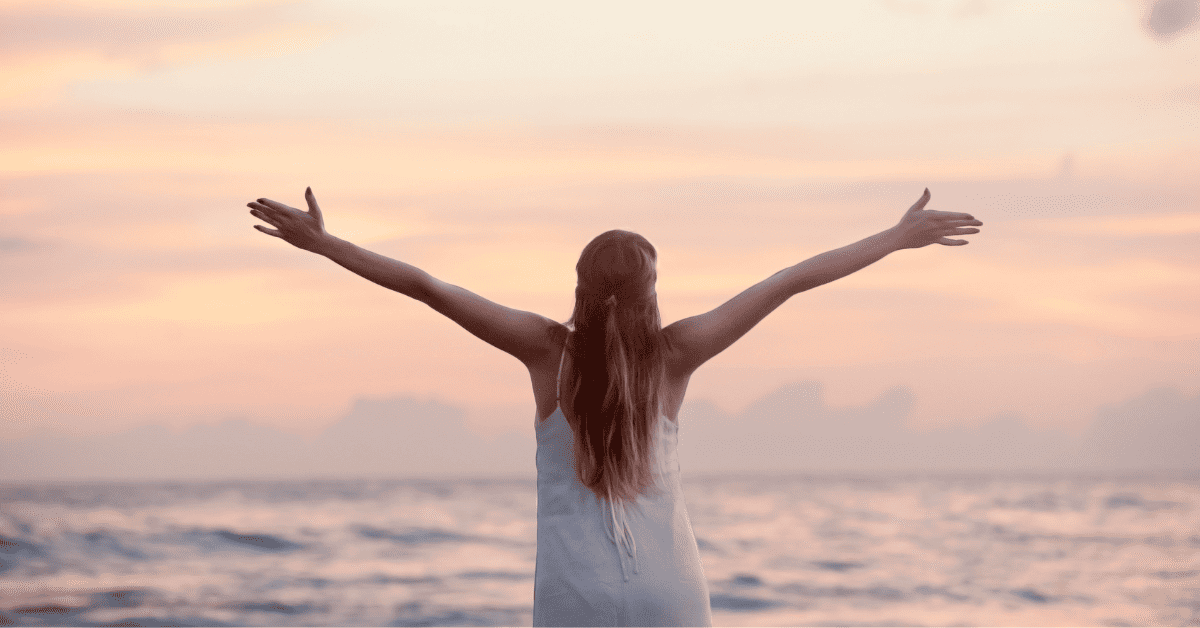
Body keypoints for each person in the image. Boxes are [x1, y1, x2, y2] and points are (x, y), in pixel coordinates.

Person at [246, 187, 981, 626]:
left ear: (579, 283)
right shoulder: (679, 352)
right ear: (651, 291)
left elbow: (429, 287)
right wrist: (894, 238)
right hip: (670, 591)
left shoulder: (543, 351)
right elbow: (789, 279)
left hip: (576, 597)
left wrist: (324, 243)